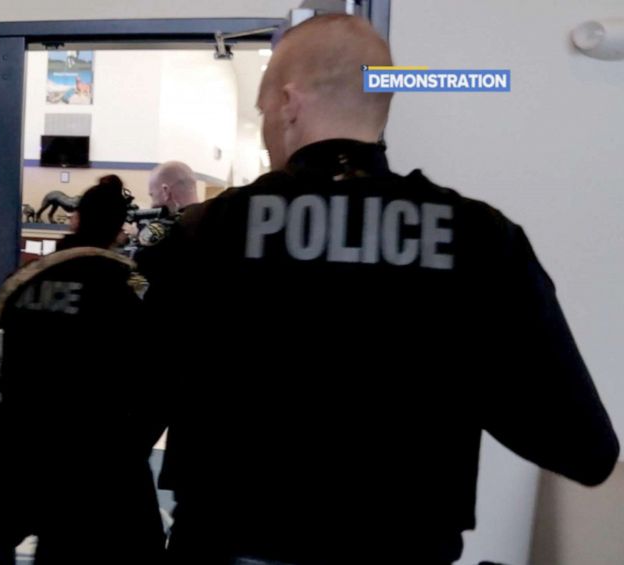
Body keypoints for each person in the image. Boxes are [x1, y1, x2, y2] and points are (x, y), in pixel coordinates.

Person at [153, 14, 619, 565]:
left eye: (262, 112)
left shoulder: (205, 234)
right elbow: (585, 450)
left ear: (288, 103)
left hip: (224, 549)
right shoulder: (481, 240)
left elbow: (120, 420)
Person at [0, 174, 165, 564]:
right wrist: (131, 450)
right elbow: (157, 382)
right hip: (111, 475)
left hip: (40, 467)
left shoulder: (25, 280)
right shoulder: (127, 285)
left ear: (75, 219)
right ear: (119, 229)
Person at [135, 161, 200, 292]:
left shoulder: (161, 230)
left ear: (165, 191)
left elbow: (139, 270)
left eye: (152, 195)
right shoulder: (219, 222)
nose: (152, 204)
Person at [55, 174, 133, 251]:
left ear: (79, 217)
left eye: (76, 210)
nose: (71, 216)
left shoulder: (53, 261)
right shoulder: (122, 263)